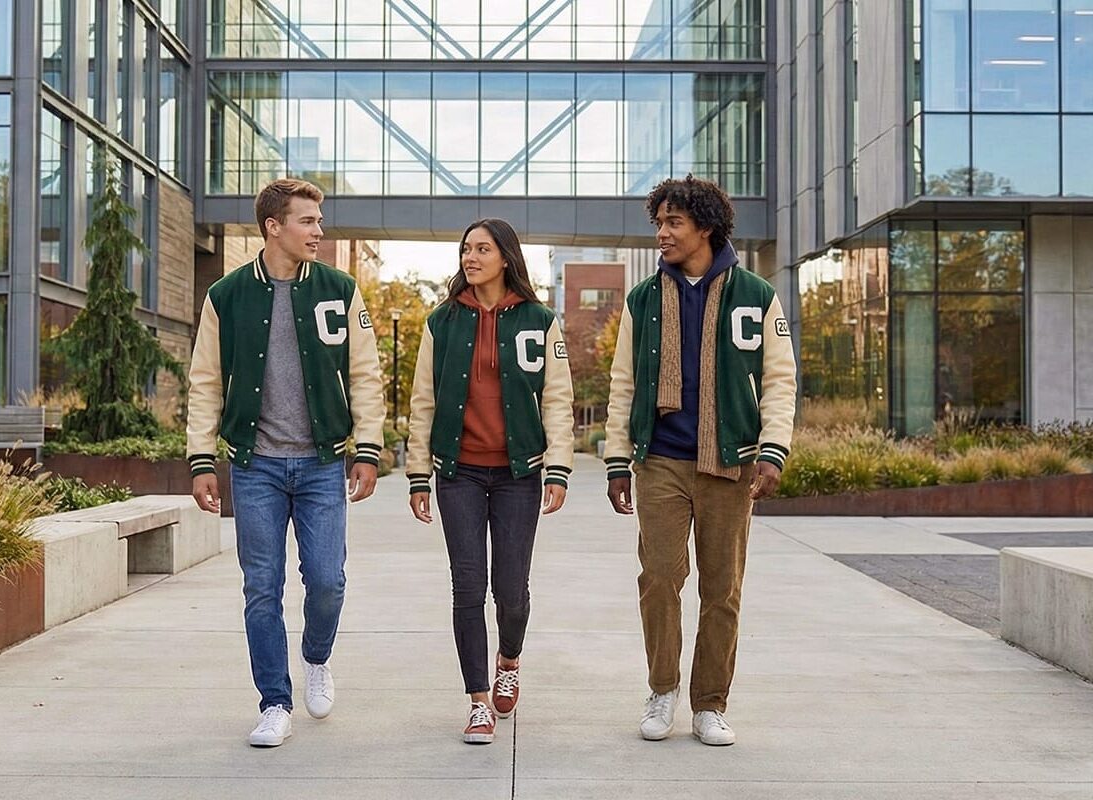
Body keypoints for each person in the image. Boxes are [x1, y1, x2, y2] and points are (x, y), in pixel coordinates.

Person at [185, 178, 385, 747]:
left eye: (319, 221)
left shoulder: (341, 289)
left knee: (327, 580)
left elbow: (366, 375)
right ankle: (274, 700)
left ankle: (316, 658)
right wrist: (202, 459)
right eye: (307, 221)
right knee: (261, 588)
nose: (318, 231)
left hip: (322, 464)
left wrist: (366, 449)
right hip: (256, 467)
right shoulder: (225, 295)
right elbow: (204, 383)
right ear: (274, 227)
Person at [603, 175, 796, 747]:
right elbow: (622, 384)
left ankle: (709, 703)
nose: (661, 233)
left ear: (705, 227)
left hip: (730, 464)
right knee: (659, 579)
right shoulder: (643, 299)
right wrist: (618, 460)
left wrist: (773, 450)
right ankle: (662, 689)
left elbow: (780, 381)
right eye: (658, 223)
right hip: (660, 459)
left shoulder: (757, 295)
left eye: (672, 224)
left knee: (722, 589)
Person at [406, 218, 574, 745]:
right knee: (467, 586)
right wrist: (417, 474)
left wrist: (560, 467)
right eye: (465, 249)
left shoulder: (541, 321)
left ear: (506, 257)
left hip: (518, 473)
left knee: (511, 592)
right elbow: (422, 402)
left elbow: (558, 400)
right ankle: (478, 700)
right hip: (457, 471)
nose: (470, 257)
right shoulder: (442, 322)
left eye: (482, 249)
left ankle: (510, 658)